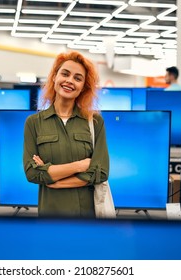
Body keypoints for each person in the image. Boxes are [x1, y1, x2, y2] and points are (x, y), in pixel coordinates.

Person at [23, 51, 109, 218]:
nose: (70, 81)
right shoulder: (34, 123)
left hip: (86, 218)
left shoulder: (95, 122)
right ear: (54, 77)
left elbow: (100, 172)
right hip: (50, 217)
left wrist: (53, 179)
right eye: (65, 74)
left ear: (83, 86)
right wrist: (81, 165)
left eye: (78, 78)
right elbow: (33, 173)